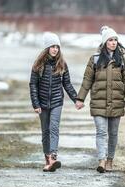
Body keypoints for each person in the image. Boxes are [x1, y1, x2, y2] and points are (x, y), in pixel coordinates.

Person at [75, 26, 125, 173]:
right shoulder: (95, 60)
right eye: (110, 40)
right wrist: (80, 99)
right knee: (101, 132)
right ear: (105, 42)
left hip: (116, 102)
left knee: (113, 133)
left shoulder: (122, 60)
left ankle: (110, 160)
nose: (113, 42)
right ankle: (101, 161)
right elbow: (87, 80)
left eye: (115, 40)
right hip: (98, 101)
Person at [29, 32, 77, 172]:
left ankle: (53, 157)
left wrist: (77, 99)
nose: (55, 49)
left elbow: (67, 84)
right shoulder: (38, 65)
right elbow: (33, 85)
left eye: (57, 46)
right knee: (46, 131)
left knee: (54, 128)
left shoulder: (62, 64)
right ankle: (48, 160)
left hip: (57, 101)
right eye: (52, 46)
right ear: (47, 48)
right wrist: (36, 104)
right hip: (42, 103)